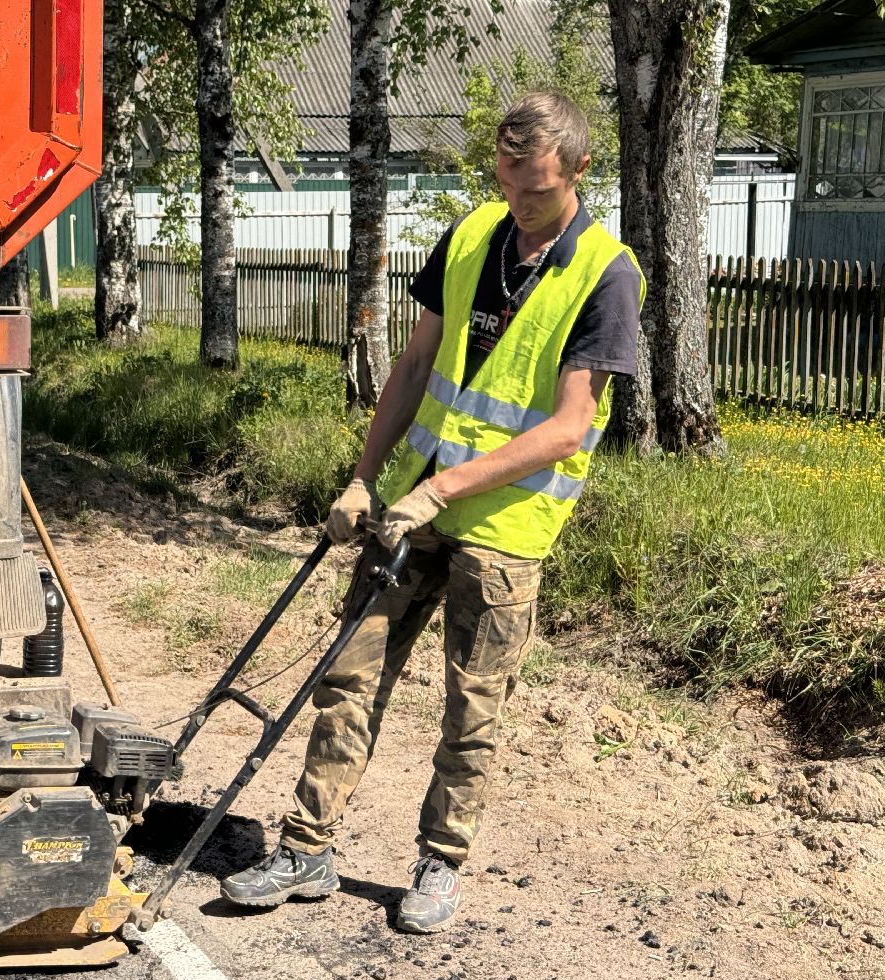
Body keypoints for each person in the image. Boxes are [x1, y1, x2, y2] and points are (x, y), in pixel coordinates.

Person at [220, 92, 645, 934]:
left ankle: (439, 865)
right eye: (509, 181)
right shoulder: (472, 236)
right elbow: (415, 364)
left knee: (471, 708)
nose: (520, 202)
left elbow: (568, 428)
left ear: (580, 172)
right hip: (410, 510)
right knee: (347, 672)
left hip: (504, 532)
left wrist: (443, 490)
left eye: (537, 189)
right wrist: (363, 479)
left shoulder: (607, 273)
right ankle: (307, 848)